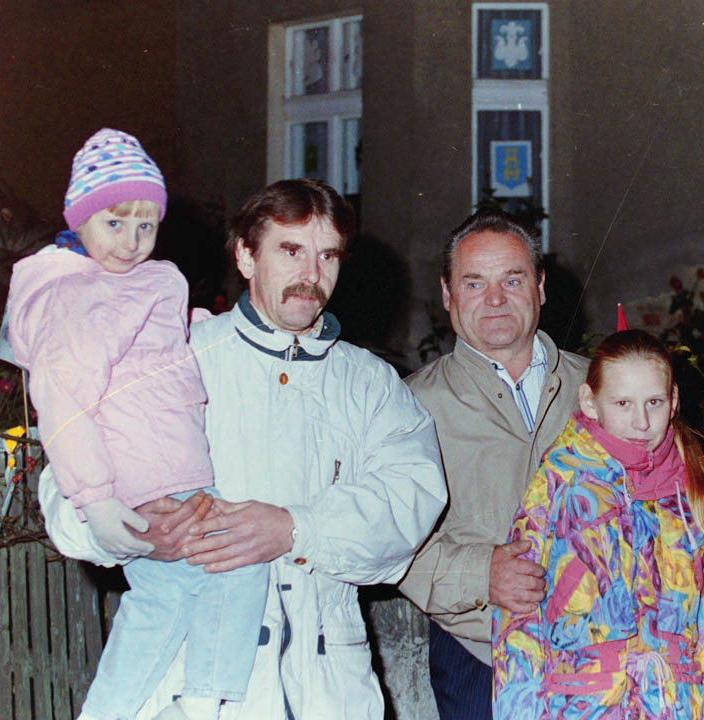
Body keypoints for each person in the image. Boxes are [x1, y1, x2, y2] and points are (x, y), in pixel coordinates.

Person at [37, 178, 448, 719]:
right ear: (246, 257)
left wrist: (295, 529)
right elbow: (64, 489)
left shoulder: (370, 384)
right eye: (290, 251)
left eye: (327, 255)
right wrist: (131, 527)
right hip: (193, 687)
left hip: (329, 688)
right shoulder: (171, 354)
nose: (311, 274)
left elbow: (411, 502)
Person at [398, 211, 704, 719]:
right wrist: (478, 574)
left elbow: (673, 488)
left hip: (614, 666)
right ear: (447, 293)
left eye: (513, 280)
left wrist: (702, 567)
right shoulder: (410, 406)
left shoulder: (606, 386)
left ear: (540, 287)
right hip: (481, 655)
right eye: (474, 282)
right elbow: (386, 541)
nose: (495, 298)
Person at [6, 128, 268, 720]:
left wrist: (199, 327)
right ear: (80, 220)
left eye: (145, 226)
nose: (130, 242)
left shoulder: (124, 286)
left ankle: (107, 711)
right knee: (237, 560)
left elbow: (152, 347)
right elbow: (62, 397)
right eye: (114, 223)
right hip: (151, 474)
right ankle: (203, 700)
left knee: (160, 602)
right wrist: (95, 499)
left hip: (157, 467)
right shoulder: (82, 296)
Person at [492, 329, 704, 719]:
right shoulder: (559, 483)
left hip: (675, 703)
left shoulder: (692, 488)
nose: (641, 422)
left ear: (674, 401)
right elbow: (518, 617)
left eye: (654, 402)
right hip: (582, 704)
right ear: (590, 402)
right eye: (623, 403)